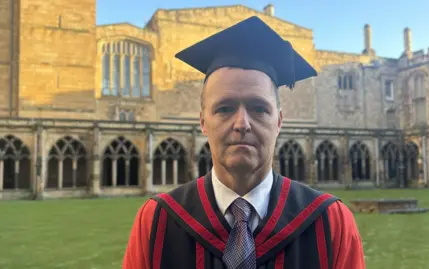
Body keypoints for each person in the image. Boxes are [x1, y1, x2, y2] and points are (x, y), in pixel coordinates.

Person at [123, 16, 365, 269]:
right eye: (225, 108)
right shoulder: (156, 222)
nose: (242, 123)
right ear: (203, 121)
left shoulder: (331, 222)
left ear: (279, 121)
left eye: (258, 108)